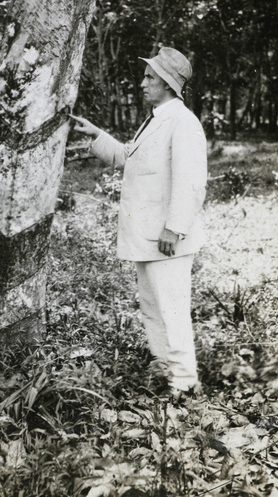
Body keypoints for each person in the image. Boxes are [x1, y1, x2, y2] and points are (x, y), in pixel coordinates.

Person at [70, 47, 207, 398]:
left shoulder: (183, 123)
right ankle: (164, 370)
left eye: (149, 78)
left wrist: (173, 228)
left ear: (168, 84)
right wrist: (96, 135)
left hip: (167, 238)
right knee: (152, 307)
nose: (141, 83)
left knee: (172, 309)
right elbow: (130, 158)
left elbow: (192, 183)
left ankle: (184, 382)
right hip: (148, 236)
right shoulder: (157, 118)